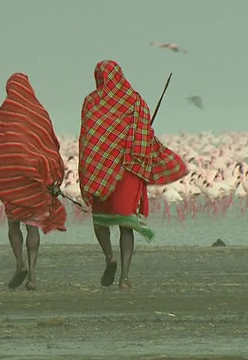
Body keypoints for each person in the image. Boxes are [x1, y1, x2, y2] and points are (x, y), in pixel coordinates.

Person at [78, 60, 188, 289]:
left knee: (100, 220)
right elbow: (144, 135)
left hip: (102, 170)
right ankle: (125, 277)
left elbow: (88, 140)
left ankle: (110, 257)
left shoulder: (91, 102)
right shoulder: (135, 101)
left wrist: (90, 168)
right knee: (126, 223)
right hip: (129, 171)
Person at [0, 73, 67, 291]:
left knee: (14, 224)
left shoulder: (2, 114)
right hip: (33, 176)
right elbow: (49, 142)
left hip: (12, 177)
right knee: (32, 227)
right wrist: (52, 174)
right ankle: (32, 276)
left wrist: (4, 173)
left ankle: (19, 264)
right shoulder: (38, 113)